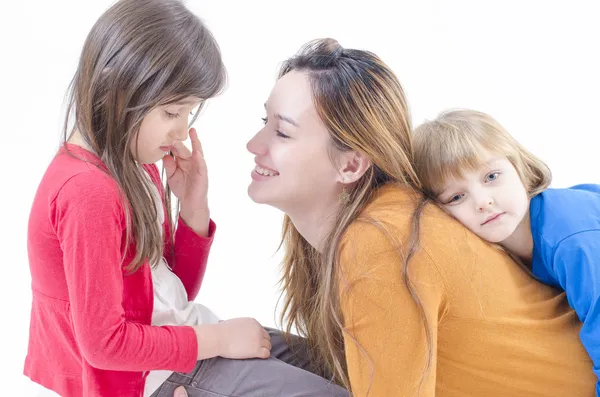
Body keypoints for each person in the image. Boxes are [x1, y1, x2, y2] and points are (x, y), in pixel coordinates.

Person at [24, 1, 347, 396]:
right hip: (146, 377)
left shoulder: (134, 162)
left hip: (179, 347)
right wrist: (221, 340)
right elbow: (105, 344)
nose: (180, 134)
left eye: (188, 114)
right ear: (114, 89)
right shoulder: (88, 192)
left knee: (344, 364)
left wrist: (193, 206)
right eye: (172, 112)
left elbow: (168, 294)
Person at [246, 37, 597, 396]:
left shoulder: (381, 239)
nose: (253, 144)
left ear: (351, 164)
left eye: (282, 132)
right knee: (227, 348)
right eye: (264, 121)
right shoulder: (380, 223)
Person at [411, 108, 600, 394]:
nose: (483, 201)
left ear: (519, 167)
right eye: (457, 196)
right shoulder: (500, 251)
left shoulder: (571, 237)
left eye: (491, 176)